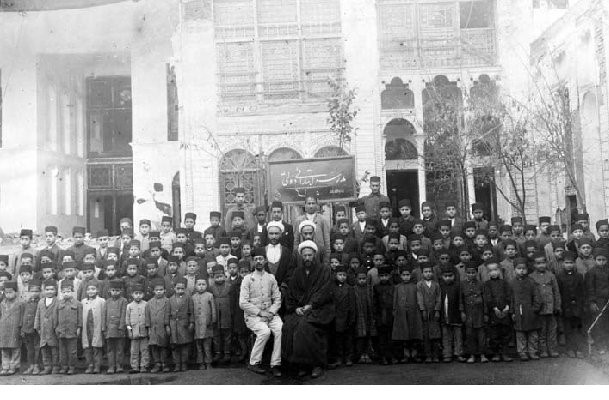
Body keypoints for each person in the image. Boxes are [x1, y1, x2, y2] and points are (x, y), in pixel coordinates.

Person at [282, 240, 334, 378]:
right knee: (289, 326)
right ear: (301, 256)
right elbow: (291, 293)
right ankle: (301, 364)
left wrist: (311, 305)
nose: (307, 258)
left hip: (319, 309)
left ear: (315, 255)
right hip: (301, 309)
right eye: (304, 255)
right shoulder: (297, 272)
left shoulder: (324, 270)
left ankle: (316, 364)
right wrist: (296, 308)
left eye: (309, 255)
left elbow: (325, 292)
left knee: (306, 327)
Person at [239, 247, 282, 377]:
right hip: (253, 316)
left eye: (261, 259)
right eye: (256, 259)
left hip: (270, 314)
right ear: (253, 261)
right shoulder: (247, 279)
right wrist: (260, 313)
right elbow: (242, 303)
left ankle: (275, 364)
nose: (258, 261)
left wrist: (271, 313)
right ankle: (254, 362)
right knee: (265, 331)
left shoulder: (271, 278)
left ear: (265, 260)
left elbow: (277, 299)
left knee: (280, 329)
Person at [529, 251, 561, 358]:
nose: (541, 265)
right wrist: (534, 308)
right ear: (534, 265)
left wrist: (557, 306)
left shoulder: (551, 276)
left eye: (543, 263)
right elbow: (531, 294)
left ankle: (552, 349)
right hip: (539, 310)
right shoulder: (531, 277)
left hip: (551, 309)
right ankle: (543, 350)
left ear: (546, 263)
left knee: (552, 330)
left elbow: (556, 292)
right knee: (541, 331)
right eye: (538, 263)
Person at [511, 258, 542, 361]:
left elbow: (537, 296)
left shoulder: (531, 282)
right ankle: (522, 352)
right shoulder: (512, 283)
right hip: (518, 311)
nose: (521, 271)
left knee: (533, 333)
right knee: (520, 333)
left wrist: (535, 309)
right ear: (515, 269)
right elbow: (511, 299)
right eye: (519, 268)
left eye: (523, 268)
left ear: (527, 269)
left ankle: (533, 351)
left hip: (530, 311)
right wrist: (512, 312)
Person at [556, 252, 586, 358]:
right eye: (566, 263)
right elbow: (558, 293)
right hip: (566, 306)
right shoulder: (559, 277)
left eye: (571, 263)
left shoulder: (579, 276)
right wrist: (560, 306)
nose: (569, 265)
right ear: (563, 264)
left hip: (577, 306)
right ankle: (570, 349)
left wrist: (582, 304)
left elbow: (582, 292)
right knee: (568, 329)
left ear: (574, 263)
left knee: (578, 328)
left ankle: (579, 349)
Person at [483, 261, 513, 362]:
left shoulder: (504, 283)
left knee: (505, 332)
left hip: (505, 311)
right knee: (494, 334)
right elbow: (488, 298)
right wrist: (494, 308)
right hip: (493, 312)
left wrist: (507, 307)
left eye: (495, 270)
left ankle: (505, 353)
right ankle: (496, 353)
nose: (494, 272)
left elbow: (509, 295)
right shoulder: (487, 284)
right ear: (488, 273)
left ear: (499, 270)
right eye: (491, 271)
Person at [461, 263, 488, 363]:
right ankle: (472, 355)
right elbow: (460, 299)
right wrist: (462, 312)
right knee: (469, 334)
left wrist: (485, 313)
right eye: (469, 273)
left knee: (481, 335)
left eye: (473, 272)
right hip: (468, 313)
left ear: (476, 273)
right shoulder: (462, 284)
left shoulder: (481, 284)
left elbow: (485, 299)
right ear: (465, 273)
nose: (471, 274)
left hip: (479, 313)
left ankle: (482, 355)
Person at [293, 195, 332, 262]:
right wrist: (297, 257)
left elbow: (327, 241)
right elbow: (296, 241)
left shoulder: (322, 220)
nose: (311, 206)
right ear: (305, 205)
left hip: (319, 256)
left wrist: (326, 259)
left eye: (313, 203)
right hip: (303, 257)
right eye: (309, 203)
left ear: (317, 205)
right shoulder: (298, 220)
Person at [585, 247, 609, 353]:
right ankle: (600, 344)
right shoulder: (591, 272)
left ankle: (606, 343)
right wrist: (592, 302)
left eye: (604, 260)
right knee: (599, 324)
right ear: (595, 260)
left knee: (607, 323)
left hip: (607, 301)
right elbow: (590, 288)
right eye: (599, 260)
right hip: (598, 302)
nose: (601, 262)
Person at [438, 265, 464, 363]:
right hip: (444, 314)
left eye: (450, 276)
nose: (448, 278)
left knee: (458, 336)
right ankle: (447, 354)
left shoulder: (458, 286)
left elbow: (461, 300)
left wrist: (461, 311)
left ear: (454, 276)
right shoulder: (440, 286)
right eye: (445, 276)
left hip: (456, 314)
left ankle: (458, 353)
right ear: (442, 276)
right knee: (446, 336)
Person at [56, 281, 82, 375]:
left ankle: (72, 367)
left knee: (72, 351)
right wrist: (56, 328)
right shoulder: (59, 303)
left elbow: (80, 317)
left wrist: (79, 328)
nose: (66, 294)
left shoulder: (78, 304)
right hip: (61, 331)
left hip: (72, 330)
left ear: (72, 291)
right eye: (63, 292)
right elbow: (56, 317)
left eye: (68, 291)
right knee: (62, 351)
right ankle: (64, 366)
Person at [417, 263, 441, 363]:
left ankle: (435, 355)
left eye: (430, 271)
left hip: (434, 312)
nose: (428, 274)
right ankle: (428, 355)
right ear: (422, 273)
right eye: (426, 272)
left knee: (435, 334)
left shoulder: (436, 284)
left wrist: (437, 310)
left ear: (433, 273)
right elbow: (420, 298)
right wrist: (422, 310)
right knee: (426, 335)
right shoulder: (420, 285)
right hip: (425, 312)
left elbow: (439, 297)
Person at [34, 279, 60, 375]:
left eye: (52, 289)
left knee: (54, 349)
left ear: (56, 290)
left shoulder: (58, 302)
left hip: (53, 329)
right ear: (44, 291)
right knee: (44, 349)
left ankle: (56, 366)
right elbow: (37, 314)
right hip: (43, 330)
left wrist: (58, 328)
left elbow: (60, 316)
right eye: (47, 289)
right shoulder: (41, 302)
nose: (49, 291)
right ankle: (47, 366)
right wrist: (37, 327)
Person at [168, 277, 193, 372]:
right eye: (178, 288)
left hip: (184, 325)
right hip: (173, 326)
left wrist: (191, 322)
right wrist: (167, 325)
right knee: (175, 346)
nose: (180, 290)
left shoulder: (188, 298)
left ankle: (184, 363)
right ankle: (177, 364)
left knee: (185, 345)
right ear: (174, 288)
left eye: (182, 289)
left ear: (185, 289)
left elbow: (191, 312)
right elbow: (167, 314)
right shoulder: (170, 299)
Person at [146, 278, 170, 373]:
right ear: (153, 291)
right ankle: (157, 363)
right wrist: (148, 328)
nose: (159, 292)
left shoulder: (167, 301)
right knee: (154, 346)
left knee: (163, 346)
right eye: (157, 290)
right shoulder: (149, 302)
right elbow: (147, 316)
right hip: (153, 328)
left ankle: (164, 363)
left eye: (161, 290)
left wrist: (167, 325)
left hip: (162, 327)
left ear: (164, 290)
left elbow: (168, 314)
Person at [192, 277, 216, 370]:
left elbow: (213, 308)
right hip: (197, 324)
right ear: (195, 286)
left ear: (206, 286)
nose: (201, 286)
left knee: (207, 346)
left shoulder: (210, 295)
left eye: (203, 284)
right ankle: (200, 362)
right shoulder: (193, 297)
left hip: (207, 324)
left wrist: (213, 320)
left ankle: (208, 362)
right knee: (198, 346)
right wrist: (192, 322)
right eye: (199, 284)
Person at [104, 280, 127, 374]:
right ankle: (111, 366)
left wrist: (121, 327)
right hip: (109, 329)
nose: (115, 292)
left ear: (121, 291)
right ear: (110, 290)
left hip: (119, 329)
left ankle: (119, 366)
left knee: (119, 349)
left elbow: (123, 314)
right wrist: (104, 328)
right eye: (113, 290)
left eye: (117, 290)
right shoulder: (107, 301)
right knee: (110, 349)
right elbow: (104, 315)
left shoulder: (123, 301)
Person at [0, 281, 23, 375]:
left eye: (11, 292)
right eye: (6, 292)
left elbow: (22, 316)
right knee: (4, 349)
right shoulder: (2, 303)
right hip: (4, 329)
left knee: (15, 348)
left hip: (15, 328)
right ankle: (5, 367)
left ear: (16, 292)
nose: (8, 294)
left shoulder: (20, 303)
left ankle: (14, 366)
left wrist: (21, 327)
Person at [81, 282, 105, 374]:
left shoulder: (101, 301)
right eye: (89, 289)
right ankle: (90, 365)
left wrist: (103, 327)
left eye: (93, 289)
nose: (91, 291)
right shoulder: (83, 302)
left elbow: (104, 314)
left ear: (97, 290)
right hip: (86, 328)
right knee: (87, 347)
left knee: (97, 347)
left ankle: (97, 366)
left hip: (96, 327)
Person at [210, 264, 232, 365]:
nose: (219, 278)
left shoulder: (229, 286)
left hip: (227, 314)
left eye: (221, 276)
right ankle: (217, 353)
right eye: (216, 276)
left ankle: (227, 353)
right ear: (213, 277)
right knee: (216, 335)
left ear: (224, 275)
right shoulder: (211, 287)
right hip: (215, 315)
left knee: (227, 335)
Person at [126, 284, 150, 373]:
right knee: (134, 351)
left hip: (144, 331)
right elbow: (127, 321)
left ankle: (144, 365)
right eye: (136, 293)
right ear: (132, 294)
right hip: (134, 332)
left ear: (143, 294)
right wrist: (129, 331)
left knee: (145, 350)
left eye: (140, 293)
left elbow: (149, 318)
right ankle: (134, 367)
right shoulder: (129, 306)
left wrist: (148, 330)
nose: (138, 295)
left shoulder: (146, 304)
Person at [22, 280, 42, 375]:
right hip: (27, 329)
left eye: (36, 291)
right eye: (32, 291)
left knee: (37, 347)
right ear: (28, 292)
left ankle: (37, 365)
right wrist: (23, 328)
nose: (34, 293)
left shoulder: (41, 302)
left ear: (40, 291)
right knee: (29, 348)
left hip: (37, 329)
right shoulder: (26, 303)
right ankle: (31, 365)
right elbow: (23, 316)